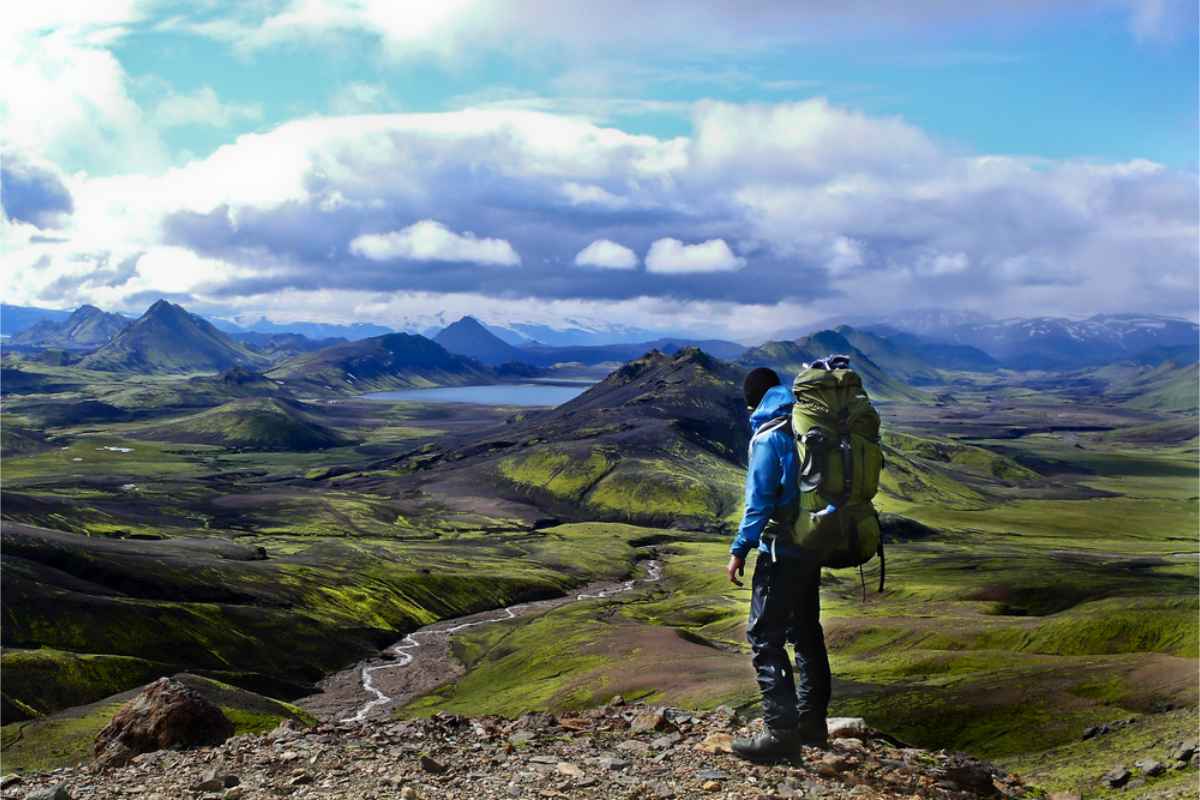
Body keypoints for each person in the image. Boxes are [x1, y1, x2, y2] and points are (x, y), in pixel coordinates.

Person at [726, 367, 831, 762]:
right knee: (806, 632)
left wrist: (740, 549)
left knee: (764, 636)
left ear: (752, 401)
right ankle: (812, 724)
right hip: (812, 545)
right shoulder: (806, 424)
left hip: (780, 551)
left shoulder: (770, 435)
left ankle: (780, 734)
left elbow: (759, 502)